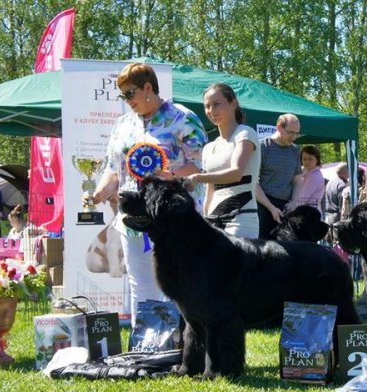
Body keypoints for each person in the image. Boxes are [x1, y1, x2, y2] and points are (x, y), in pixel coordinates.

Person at [92, 62, 207, 325]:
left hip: (174, 220)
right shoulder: (122, 125)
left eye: (130, 93)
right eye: (123, 96)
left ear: (148, 87)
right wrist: (99, 192)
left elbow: (201, 164)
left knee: (178, 285)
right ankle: (146, 345)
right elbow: (114, 169)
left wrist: (172, 175)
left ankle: (179, 346)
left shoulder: (183, 118)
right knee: (140, 284)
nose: (127, 101)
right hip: (133, 218)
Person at [188, 83, 260, 238]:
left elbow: (236, 173)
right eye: (207, 106)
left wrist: (197, 177)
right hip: (213, 220)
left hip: (241, 218)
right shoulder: (208, 148)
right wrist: (206, 218)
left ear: (233, 103)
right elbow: (210, 190)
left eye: (216, 104)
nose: (211, 111)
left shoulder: (246, 134)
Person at [256, 113, 302, 239]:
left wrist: (294, 201)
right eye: (291, 132)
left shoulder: (295, 150)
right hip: (264, 205)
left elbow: (297, 179)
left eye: (297, 133)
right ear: (279, 127)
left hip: (286, 207)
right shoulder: (262, 147)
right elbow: (253, 183)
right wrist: (271, 208)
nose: (294, 137)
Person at [285, 145, 324, 213]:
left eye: (310, 159)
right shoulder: (304, 173)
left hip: (308, 214)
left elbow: (301, 201)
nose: (306, 161)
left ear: (317, 159)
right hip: (301, 212)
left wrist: (287, 207)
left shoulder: (314, 176)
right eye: (304, 159)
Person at [323, 163, 348, 243]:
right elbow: (343, 205)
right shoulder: (342, 185)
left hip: (328, 217)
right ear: (344, 172)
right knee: (337, 245)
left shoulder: (330, 182)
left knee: (329, 244)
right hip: (336, 217)